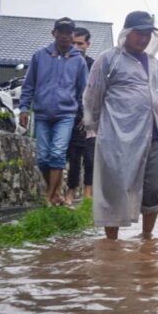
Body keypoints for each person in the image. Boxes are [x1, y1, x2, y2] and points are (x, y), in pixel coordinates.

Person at [83, 11, 158, 240]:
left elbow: (156, 97)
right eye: (139, 33)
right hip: (116, 135)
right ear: (127, 33)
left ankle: (147, 238)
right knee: (115, 187)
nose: (143, 39)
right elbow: (93, 95)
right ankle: (112, 242)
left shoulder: (155, 65)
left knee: (154, 188)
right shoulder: (108, 59)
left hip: (152, 133)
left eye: (148, 34)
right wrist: (93, 126)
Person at [19, 17, 89, 206]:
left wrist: (85, 114)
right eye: (61, 32)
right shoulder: (39, 56)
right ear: (54, 33)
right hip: (41, 114)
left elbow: (84, 90)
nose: (65, 36)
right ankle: (56, 192)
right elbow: (29, 85)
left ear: (72, 35)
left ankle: (49, 197)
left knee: (57, 154)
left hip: (66, 115)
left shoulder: (78, 61)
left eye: (69, 33)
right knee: (43, 158)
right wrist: (24, 108)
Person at [64, 27, 97, 206]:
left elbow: (97, 91)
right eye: (73, 43)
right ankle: (70, 193)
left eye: (80, 43)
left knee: (91, 157)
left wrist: (90, 114)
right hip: (70, 116)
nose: (76, 47)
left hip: (91, 119)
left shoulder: (94, 65)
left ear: (87, 45)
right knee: (74, 156)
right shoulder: (64, 62)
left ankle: (87, 194)